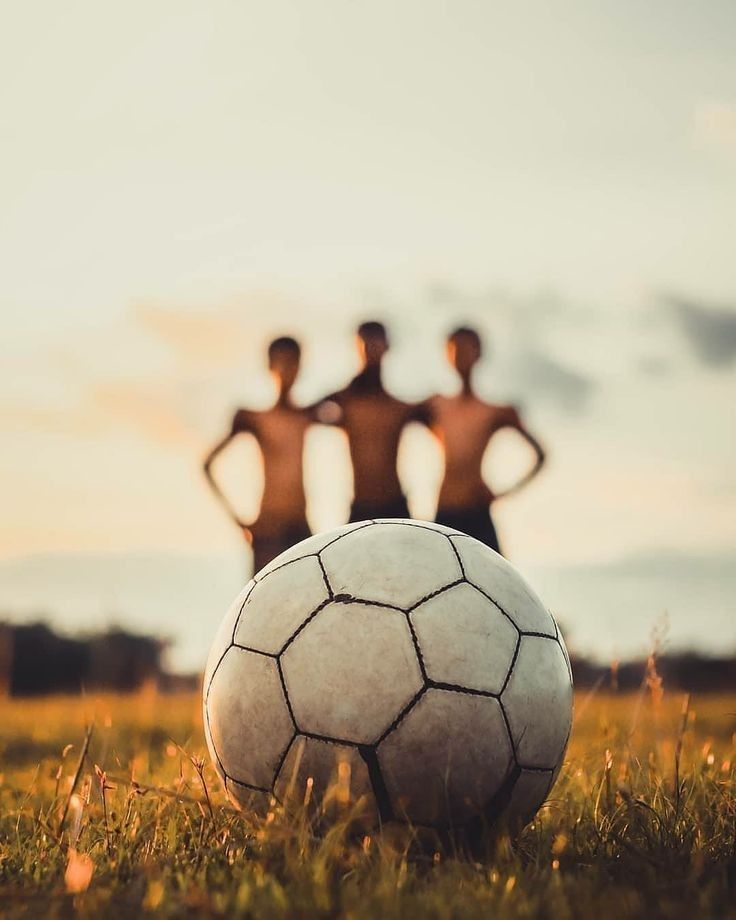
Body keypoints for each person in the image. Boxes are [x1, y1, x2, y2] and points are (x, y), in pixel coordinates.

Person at [428, 326, 545, 555]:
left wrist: (504, 492)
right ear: (446, 354)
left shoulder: (494, 411)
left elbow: (540, 455)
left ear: (479, 353)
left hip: (477, 509)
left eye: (467, 348)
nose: (461, 355)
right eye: (455, 349)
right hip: (445, 508)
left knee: (497, 582)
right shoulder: (435, 406)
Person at [203, 336, 312, 573]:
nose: (287, 370)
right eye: (281, 363)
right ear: (270, 366)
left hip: (301, 527)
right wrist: (238, 521)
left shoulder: (309, 415)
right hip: (268, 529)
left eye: (292, 363)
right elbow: (208, 464)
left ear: (300, 367)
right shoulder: (253, 418)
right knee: (265, 605)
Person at [318, 321, 427, 521]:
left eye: (376, 344)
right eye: (366, 345)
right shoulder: (345, 402)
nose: (371, 352)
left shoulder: (398, 408)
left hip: (395, 505)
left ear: (387, 347)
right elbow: (311, 413)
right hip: (361, 505)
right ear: (357, 348)